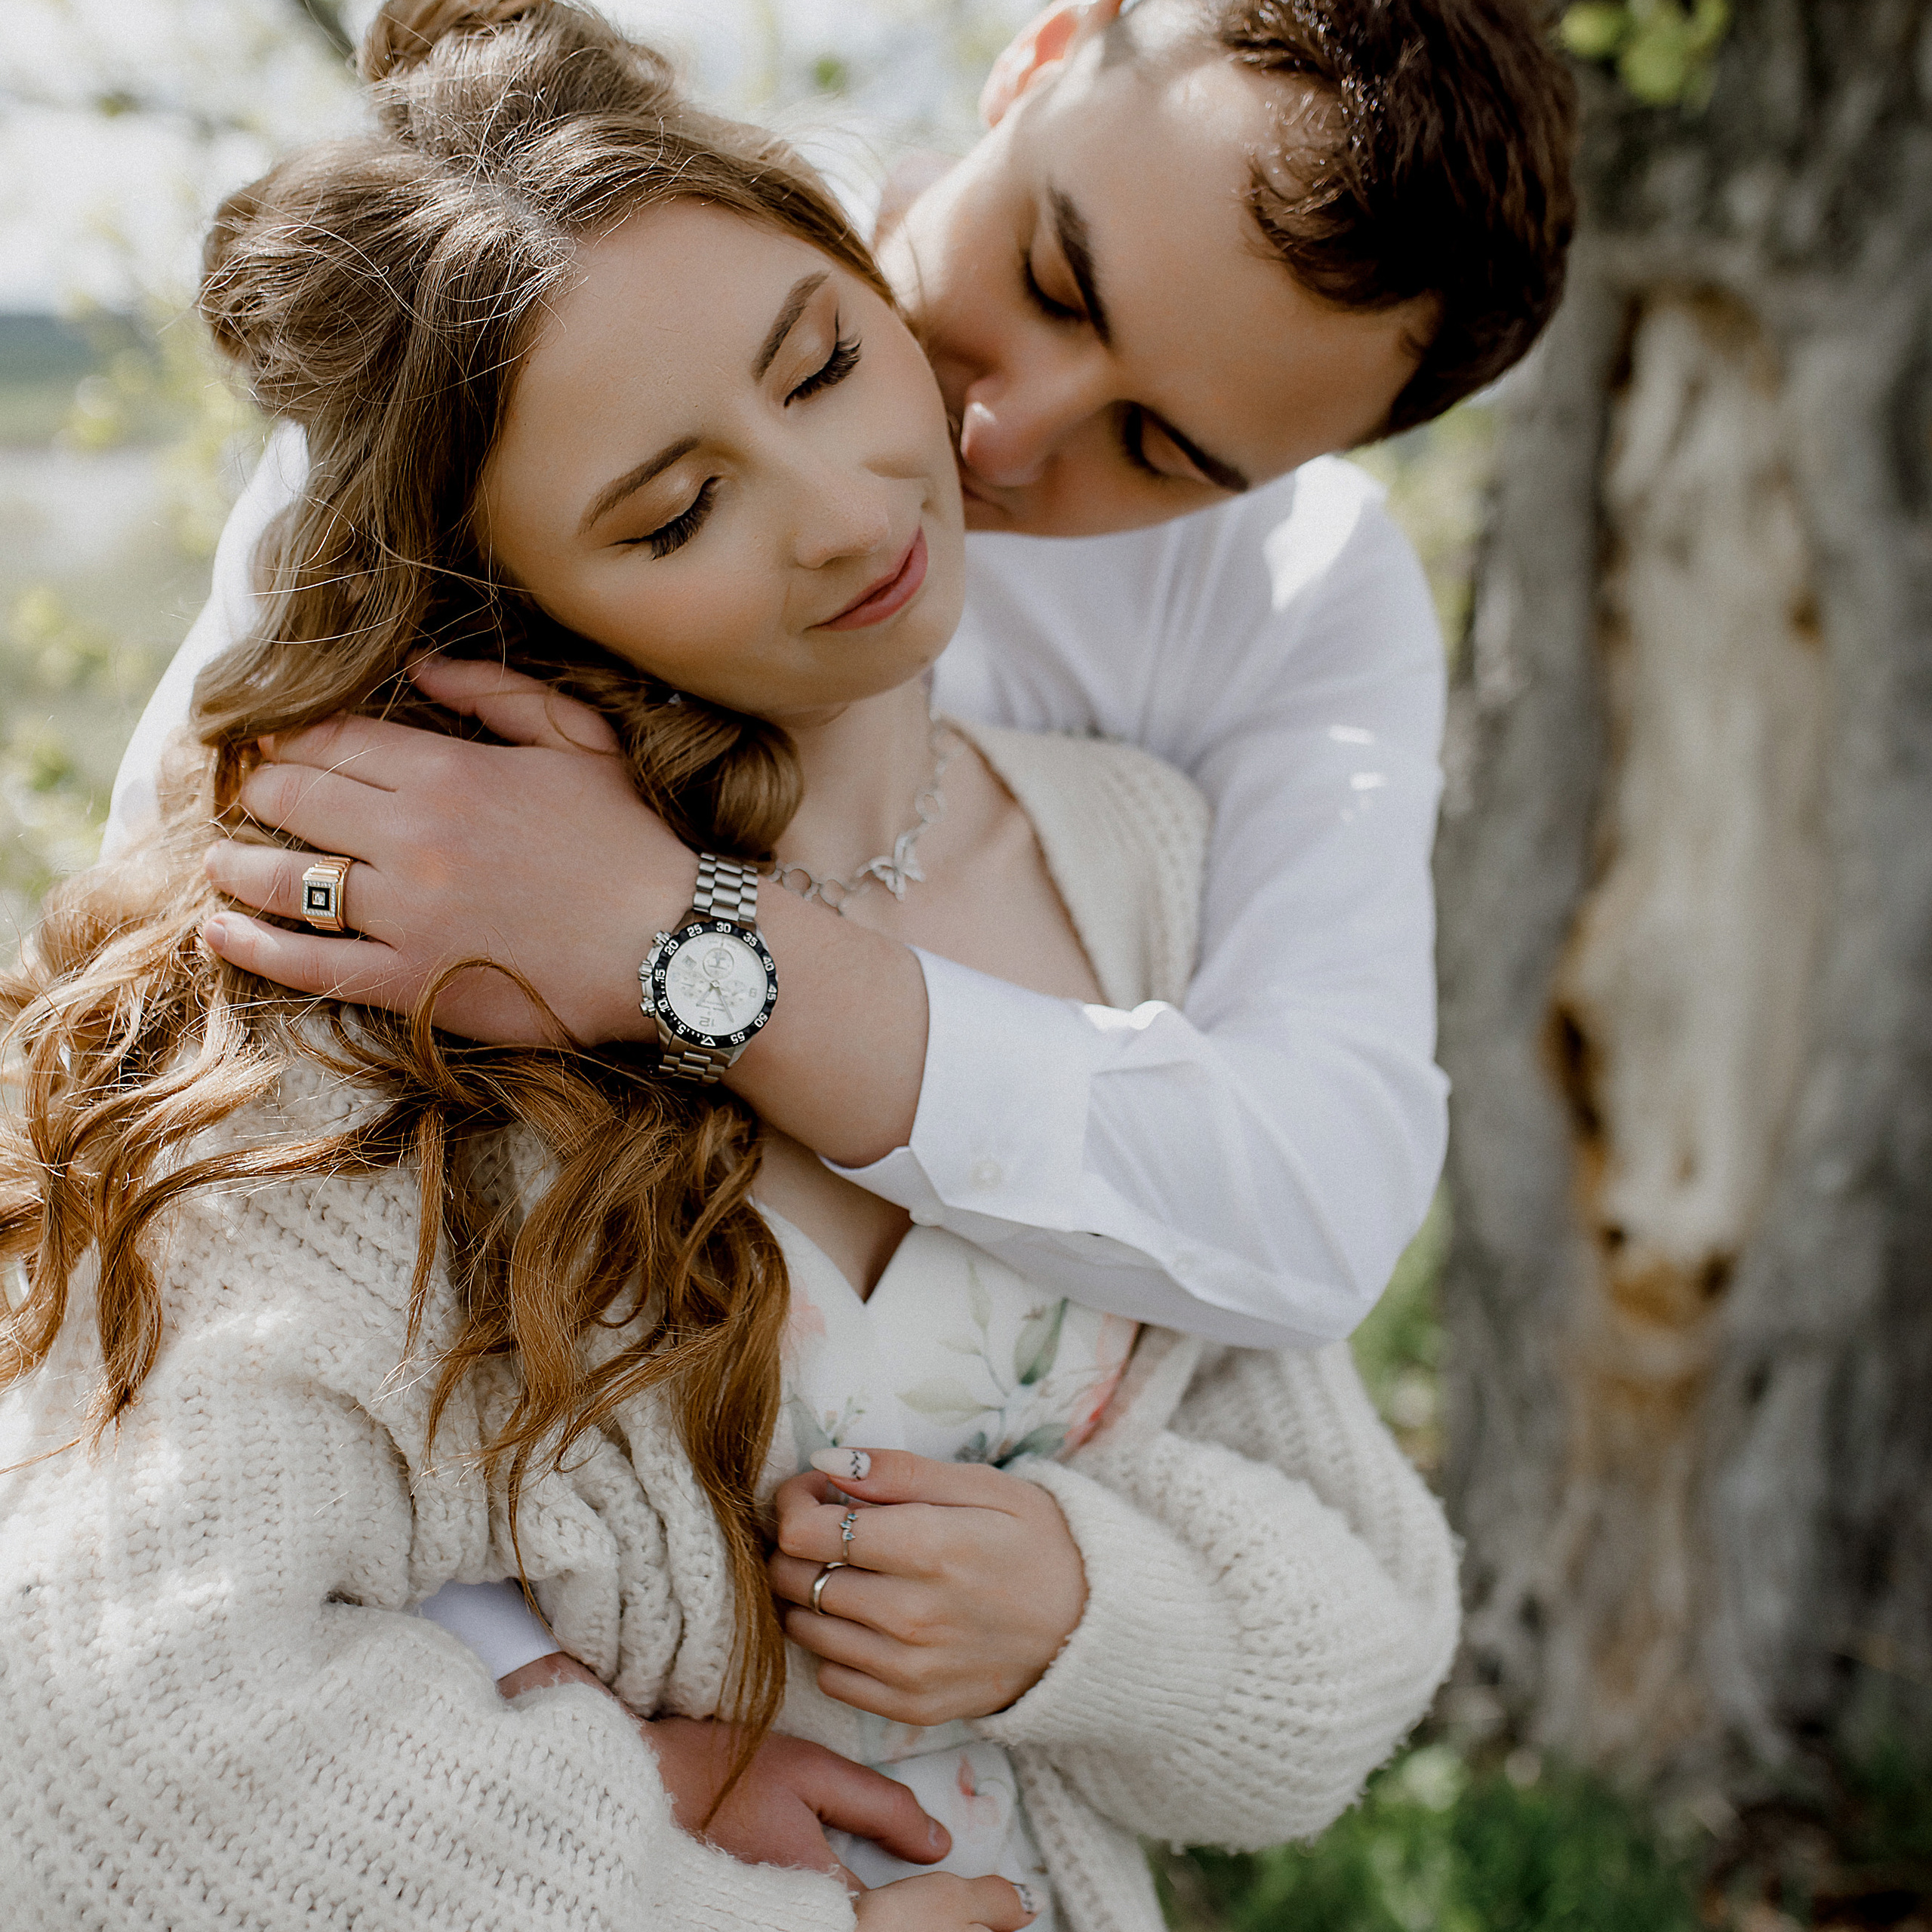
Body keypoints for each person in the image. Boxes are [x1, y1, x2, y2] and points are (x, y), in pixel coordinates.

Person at [2, 8, 1459, 1928]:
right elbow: (105, 1729)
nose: (860, 503)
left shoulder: (1143, 867)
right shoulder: (381, 981)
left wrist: (1094, 1613)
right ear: (501, 573)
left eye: (827, 362)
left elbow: (1359, 1634)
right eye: (676, 510)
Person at [107, 0, 1578, 1359]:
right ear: (1047, 48)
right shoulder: (586, 271)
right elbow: (178, 970)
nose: (997, 435)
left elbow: (1315, 1198)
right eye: (1054, 280)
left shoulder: (1289, 590)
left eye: (1161, 452)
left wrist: (684, 943)